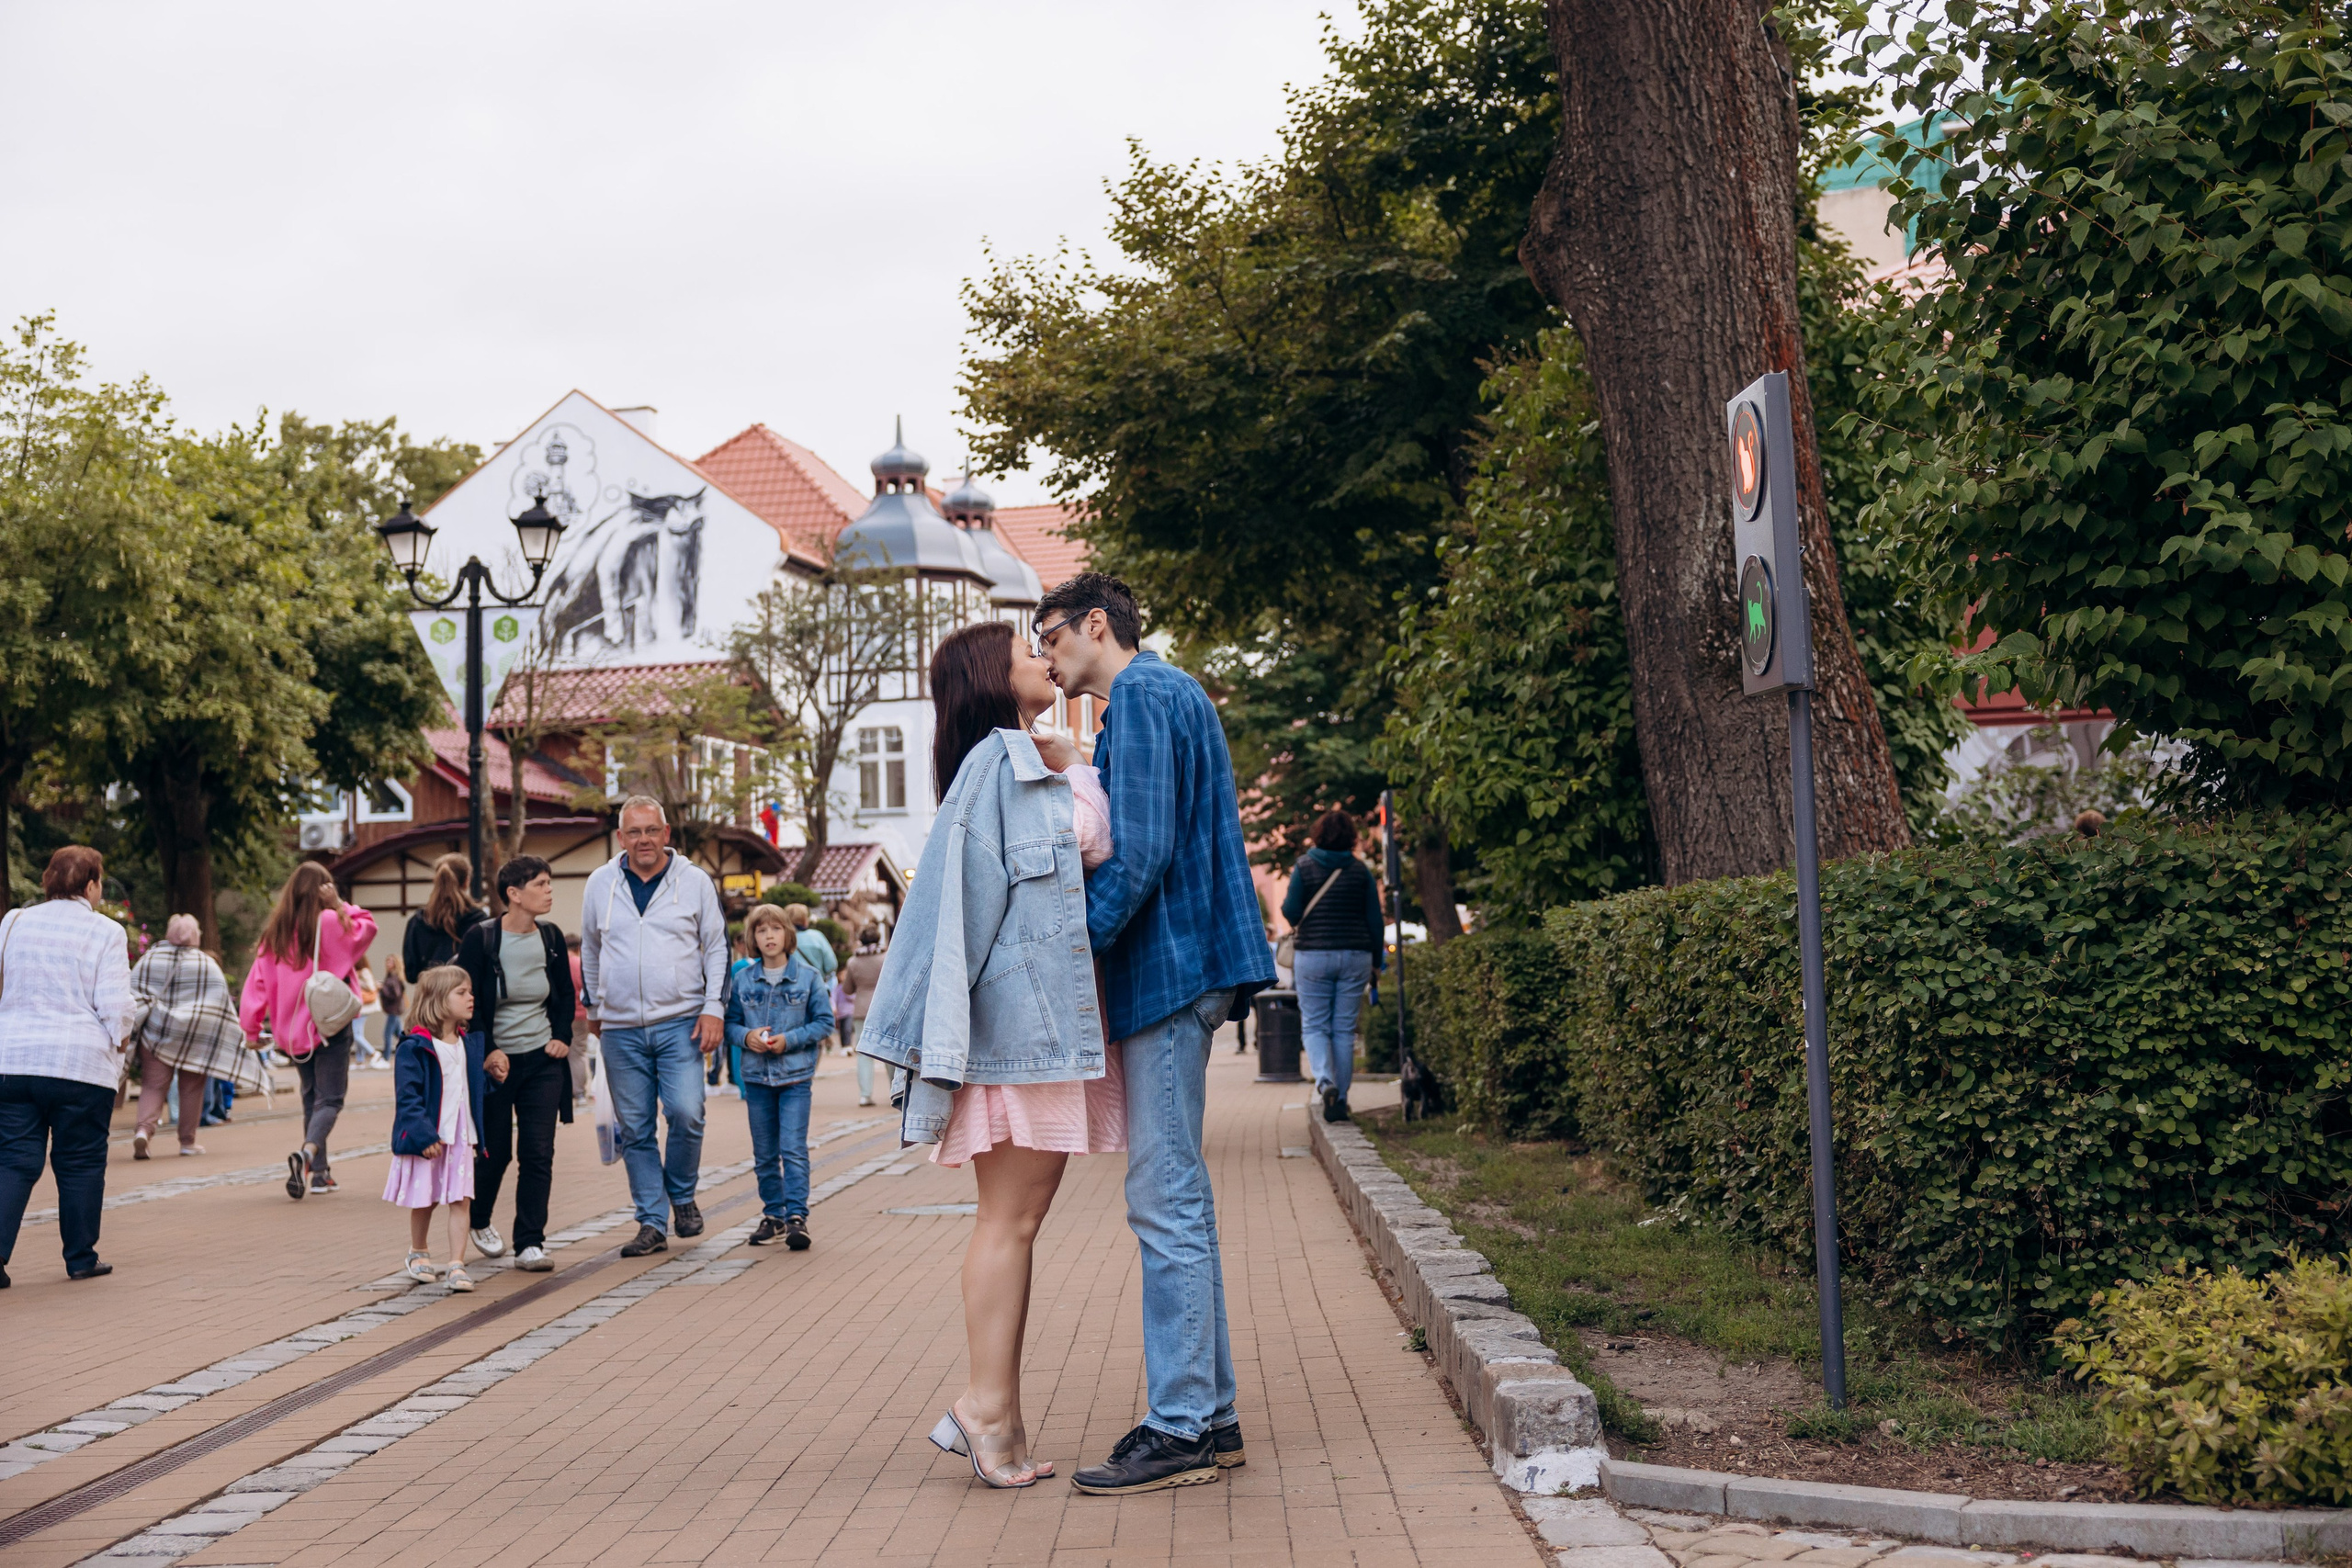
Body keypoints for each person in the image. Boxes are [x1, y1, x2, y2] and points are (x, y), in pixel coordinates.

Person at [1033, 572, 1272, 1495]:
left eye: (1051, 636)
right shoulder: (1168, 691)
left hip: (1169, 971)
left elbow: (1139, 856)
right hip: (1191, 966)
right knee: (1180, 1200)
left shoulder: (1137, 696)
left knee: (1163, 1200)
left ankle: (1179, 1428)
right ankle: (1211, 1416)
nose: (1045, 657)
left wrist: (1068, 953)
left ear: (1096, 624)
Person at [860, 619, 1113, 1488]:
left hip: (1033, 1032)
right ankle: (984, 1409)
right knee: (1009, 1221)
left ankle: (996, 1412)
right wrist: (1078, 762)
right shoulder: (1001, 764)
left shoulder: (1018, 760)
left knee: (1017, 1222)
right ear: (993, 680)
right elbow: (1076, 844)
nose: (1044, 659)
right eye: (1025, 653)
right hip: (1017, 1036)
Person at [581, 796, 729, 1257]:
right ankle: (651, 1220)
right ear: (620, 838)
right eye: (634, 832)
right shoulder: (600, 883)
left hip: (682, 1021)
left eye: (651, 830)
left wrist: (714, 1008)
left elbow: (716, 948)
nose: (643, 840)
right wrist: (594, 1007)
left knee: (687, 1112)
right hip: (619, 1027)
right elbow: (590, 948)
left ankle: (681, 1195)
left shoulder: (695, 881)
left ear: (666, 834)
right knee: (636, 1128)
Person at [0, 846, 131, 1284]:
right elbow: (115, 1004)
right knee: (80, 1161)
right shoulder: (106, 931)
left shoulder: (13, 922)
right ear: (91, 885)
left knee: (13, 1159)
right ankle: (80, 1258)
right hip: (80, 1065)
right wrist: (120, 1044)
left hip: (14, 1059)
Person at [455, 855, 575, 1272]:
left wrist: (562, 1037)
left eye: (549, 882)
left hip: (542, 1061)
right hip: (496, 1064)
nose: (549, 890)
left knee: (538, 1152)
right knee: (495, 1152)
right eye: (540, 884)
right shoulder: (481, 938)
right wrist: (488, 1050)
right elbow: (467, 1000)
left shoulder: (551, 937)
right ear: (514, 894)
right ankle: (479, 1217)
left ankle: (530, 1243)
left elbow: (564, 994)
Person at [242, 863, 379, 1200]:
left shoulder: (274, 934)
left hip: (293, 1033)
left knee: (311, 1098)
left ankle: (319, 1174)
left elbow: (256, 985)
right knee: (330, 1099)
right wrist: (339, 904)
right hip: (329, 1025)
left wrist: (252, 1030)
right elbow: (367, 928)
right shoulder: (329, 921)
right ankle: (307, 1156)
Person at [726, 904, 833, 1251]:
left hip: (795, 1077)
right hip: (756, 1078)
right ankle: (773, 1214)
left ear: (788, 934)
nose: (769, 936)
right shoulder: (742, 979)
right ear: (752, 938)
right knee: (764, 1152)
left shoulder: (808, 977)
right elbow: (729, 1024)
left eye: (775, 929)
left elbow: (824, 1022)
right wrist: (747, 1037)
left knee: (793, 1148)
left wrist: (790, 1039)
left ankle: (796, 1216)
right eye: (761, 930)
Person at [384, 965, 494, 1290]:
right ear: (438, 1000)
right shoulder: (414, 1047)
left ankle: (457, 1264)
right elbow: (408, 1097)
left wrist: (493, 1078)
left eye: (470, 991)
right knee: (426, 1198)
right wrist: (423, 1135)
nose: (471, 997)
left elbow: (471, 1090)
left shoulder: (468, 1044)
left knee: (461, 1200)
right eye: (462, 992)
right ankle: (418, 1251)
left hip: (461, 1135)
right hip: (430, 1137)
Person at [129, 914, 267, 1159]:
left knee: (153, 1086)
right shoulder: (206, 964)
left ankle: (143, 1131)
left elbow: (133, 995)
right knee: (192, 1088)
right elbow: (220, 1004)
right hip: (196, 1039)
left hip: (156, 1036)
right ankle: (187, 1142)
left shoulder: (150, 958)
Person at [1282, 810, 1386, 1122]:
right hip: (1355, 955)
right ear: (1351, 837)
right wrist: (1377, 962)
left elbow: (1291, 911)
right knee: (1343, 1029)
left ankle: (1325, 1081)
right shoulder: (1360, 870)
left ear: (1318, 834)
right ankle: (1340, 1100)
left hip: (1313, 955)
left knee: (1315, 1025)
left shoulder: (1304, 866)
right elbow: (1375, 920)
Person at [401, 853, 487, 979]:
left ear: (435, 880)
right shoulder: (479, 920)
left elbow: (411, 974)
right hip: (468, 988)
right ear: (467, 881)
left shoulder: (419, 921)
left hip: (432, 990)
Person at [842, 930, 885, 1106]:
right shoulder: (885, 958)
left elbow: (847, 989)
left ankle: (865, 1095)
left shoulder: (853, 961)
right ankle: (895, 1091)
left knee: (863, 1054)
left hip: (861, 1009)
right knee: (889, 1051)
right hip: (883, 1008)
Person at [563, 934, 591, 1102]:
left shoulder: (559, 963)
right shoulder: (578, 964)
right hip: (580, 1014)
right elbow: (586, 989)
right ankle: (579, 1091)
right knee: (578, 1053)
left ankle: (567, 1089)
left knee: (565, 1053)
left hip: (562, 1015)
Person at [785, 904, 839, 987]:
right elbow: (831, 965)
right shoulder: (817, 936)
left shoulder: (783, 940)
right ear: (805, 920)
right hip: (816, 986)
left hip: (792, 988)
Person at [376, 956, 406, 1071]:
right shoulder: (391, 976)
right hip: (393, 1010)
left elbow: (395, 994)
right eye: (387, 961)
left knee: (387, 1034)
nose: (388, 963)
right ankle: (410, 1052)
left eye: (391, 961)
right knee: (399, 1034)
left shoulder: (394, 977)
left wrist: (382, 988)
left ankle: (386, 1058)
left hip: (394, 1010)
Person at [353, 958, 384, 1068]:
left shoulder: (364, 971)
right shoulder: (361, 972)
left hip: (365, 1008)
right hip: (361, 1008)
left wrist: (356, 979)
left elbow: (371, 987)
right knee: (359, 1034)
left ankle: (374, 1053)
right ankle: (360, 1061)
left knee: (355, 1035)